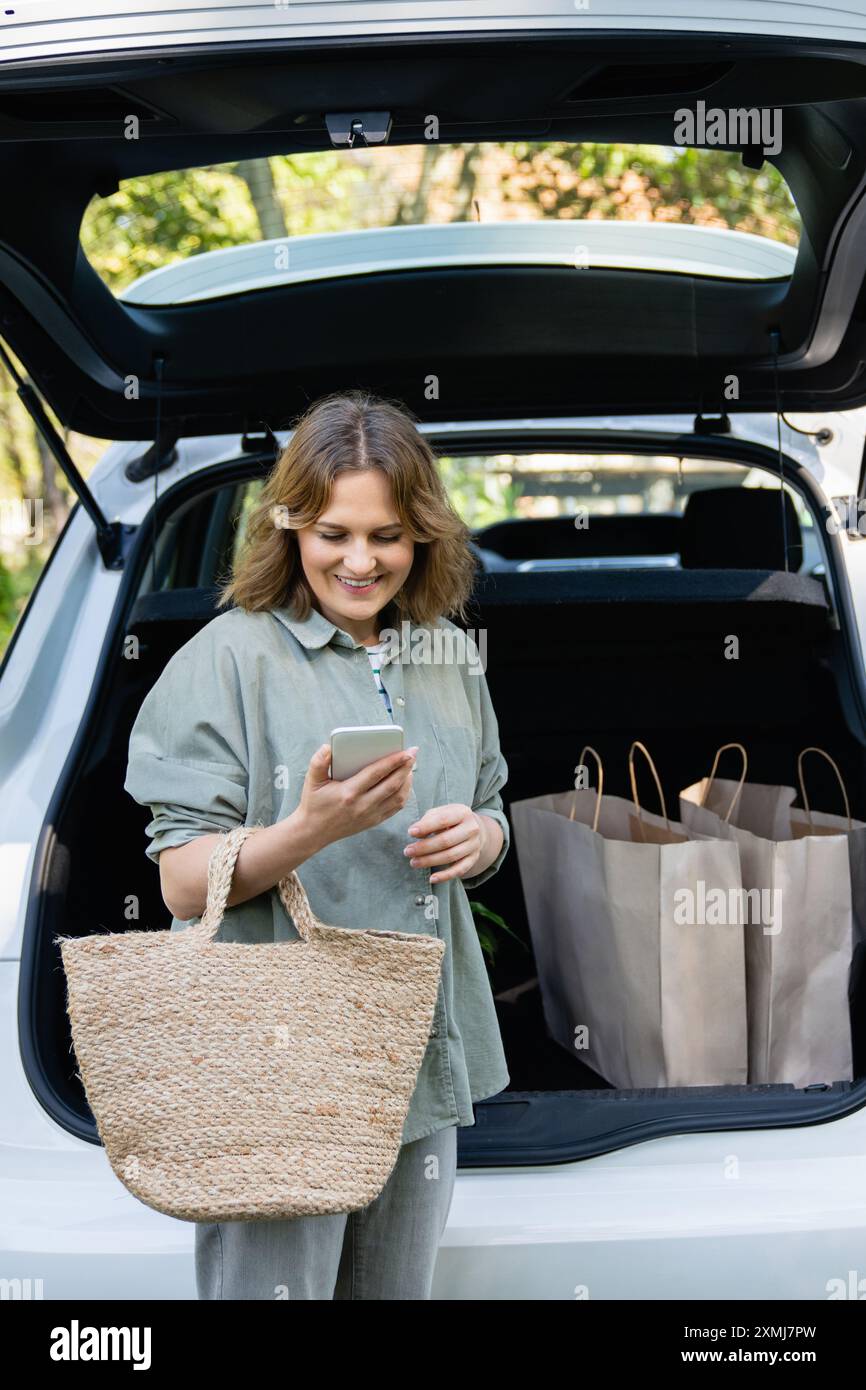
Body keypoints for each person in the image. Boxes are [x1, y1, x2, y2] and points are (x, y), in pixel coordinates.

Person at [123, 388, 512, 1300]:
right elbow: (182, 885)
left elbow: (491, 800)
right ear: (290, 525)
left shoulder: (447, 652)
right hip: (280, 1063)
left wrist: (481, 838)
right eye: (334, 532)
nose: (361, 559)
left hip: (419, 1050)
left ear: (424, 534)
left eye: (387, 534)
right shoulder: (225, 659)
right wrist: (307, 832)